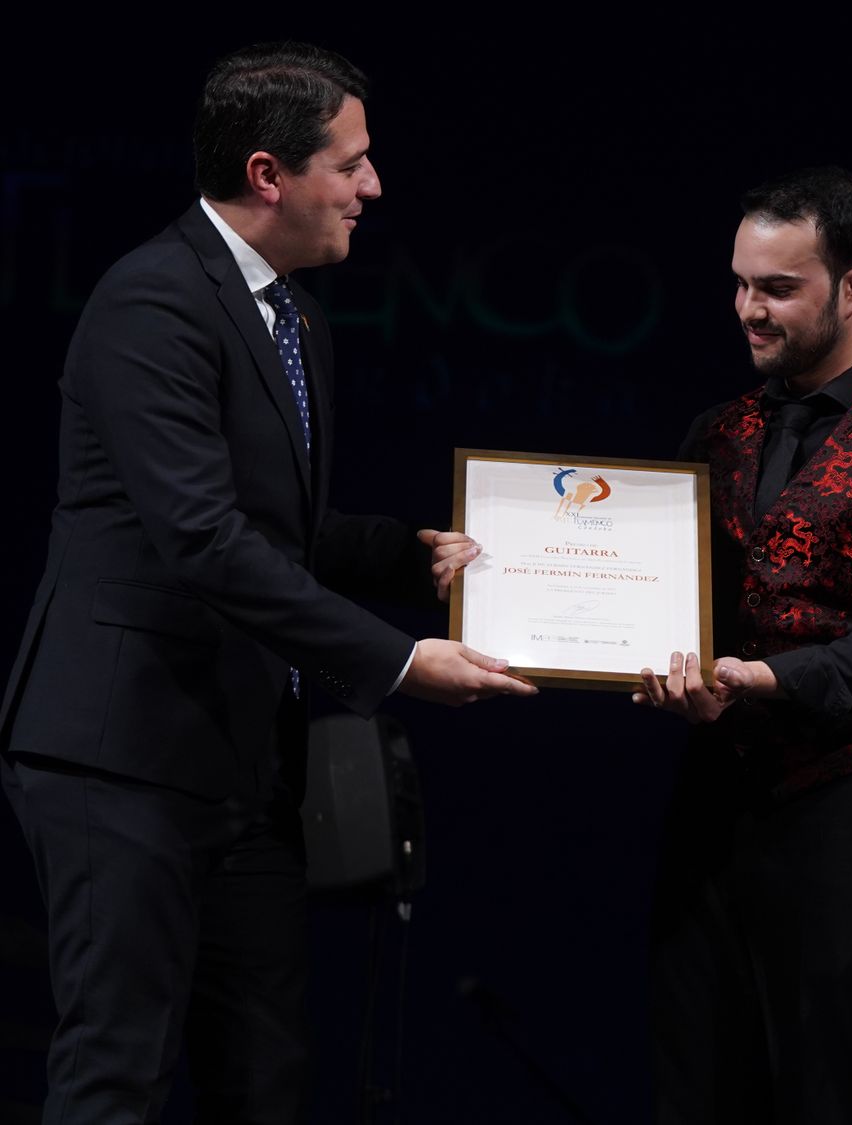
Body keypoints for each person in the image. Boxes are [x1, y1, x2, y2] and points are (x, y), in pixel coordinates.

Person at [0, 42, 534, 1124]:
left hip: (242, 766)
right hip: (127, 757)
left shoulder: (290, 314)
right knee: (119, 1072)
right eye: (352, 163)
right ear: (267, 175)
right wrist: (392, 660)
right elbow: (201, 539)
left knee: (265, 1077)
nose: (372, 188)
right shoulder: (152, 300)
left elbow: (277, 527)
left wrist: (410, 556)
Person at [645, 166, 852, 1124]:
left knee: (822, 1086)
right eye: (741, 283)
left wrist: (766, 679)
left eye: (778, 289)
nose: (749, 310)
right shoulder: (718, 430)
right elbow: (662, 599)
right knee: (695, 1078)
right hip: (716, 801)